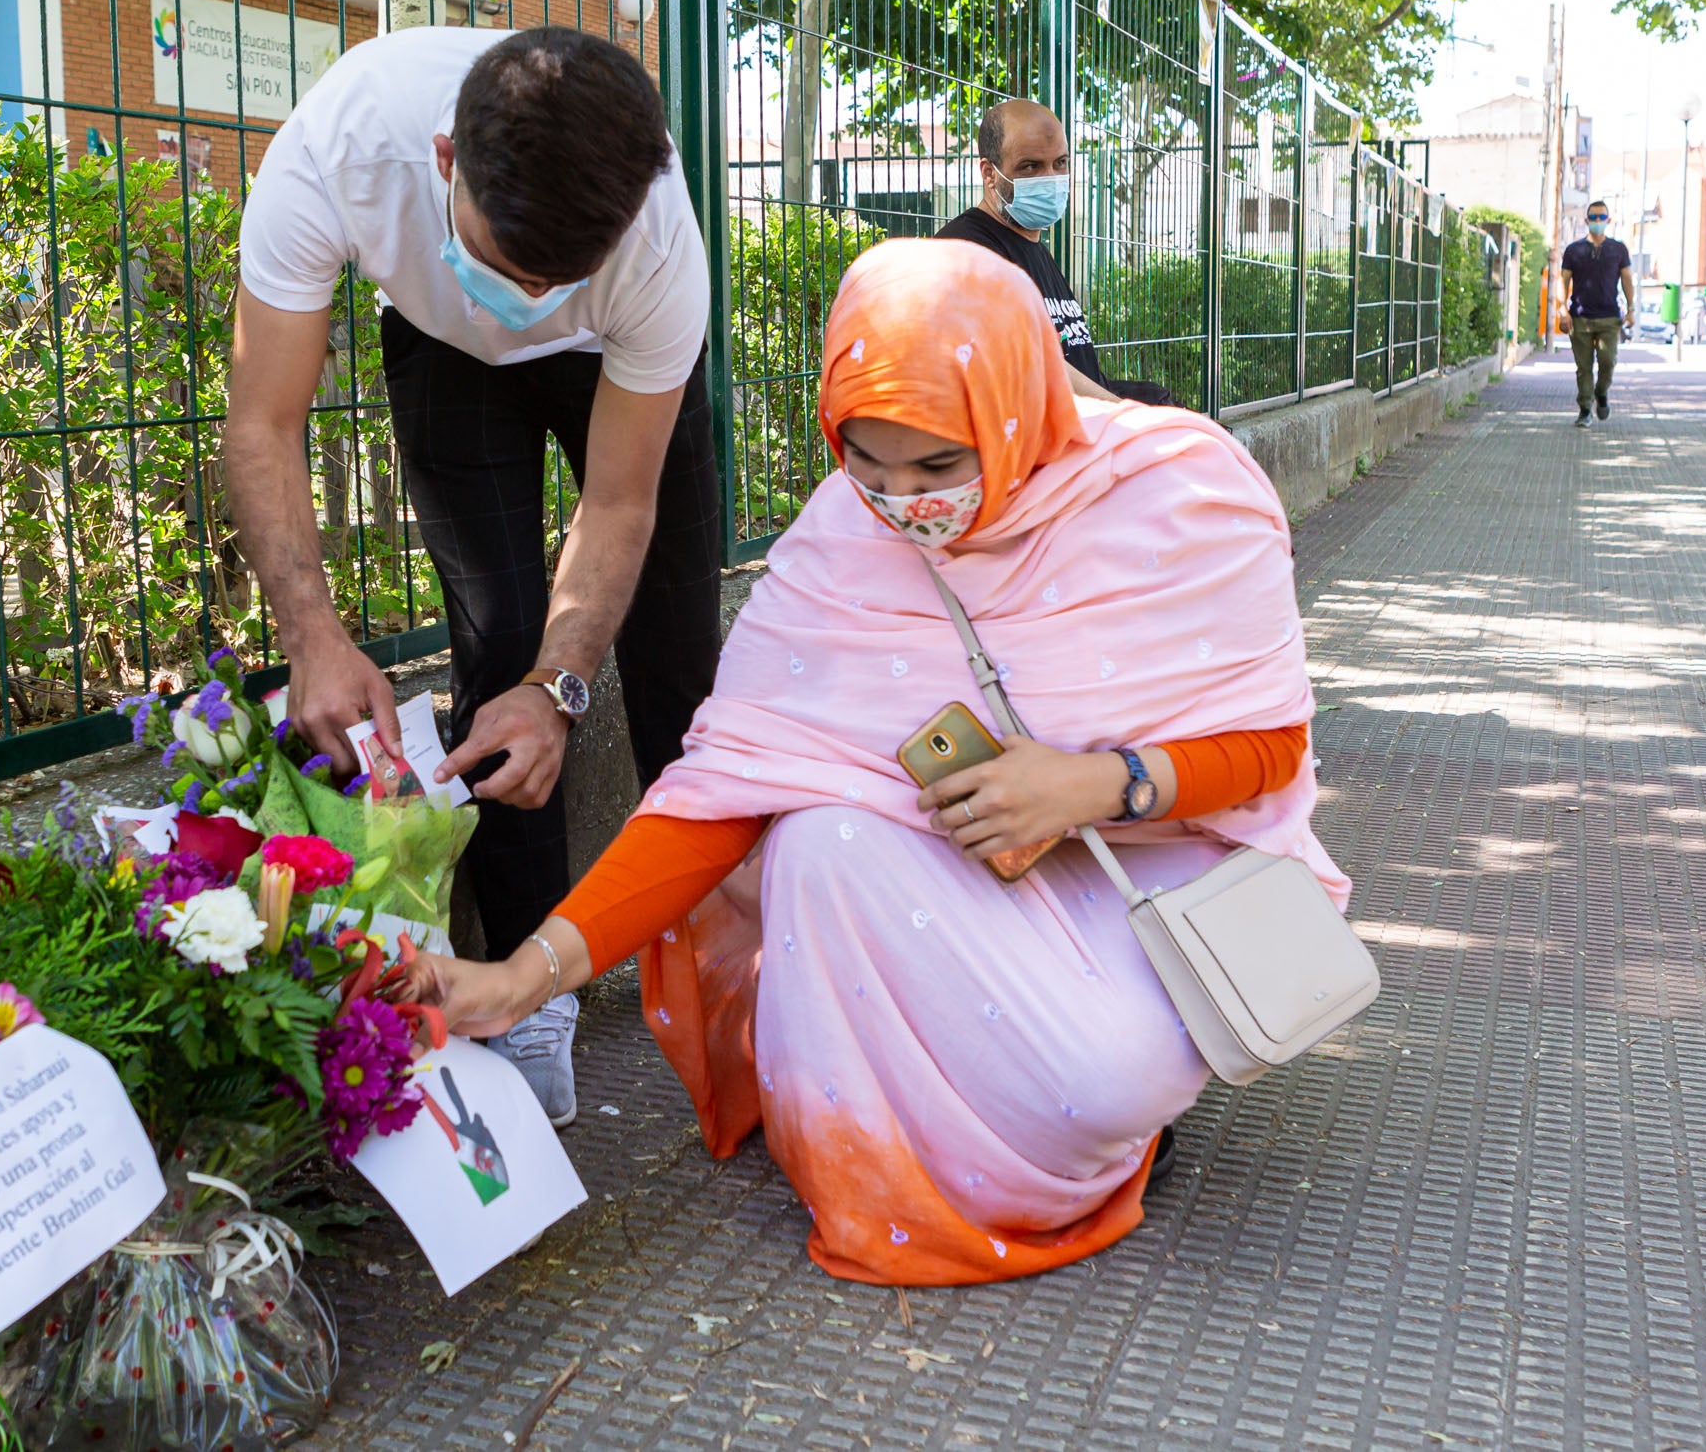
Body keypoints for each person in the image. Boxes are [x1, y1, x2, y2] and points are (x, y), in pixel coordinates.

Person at [398, 239, 1341, 1284]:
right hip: (967, 871)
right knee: (814, 839)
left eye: (939, 463)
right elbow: (716, 790)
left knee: (1103, 1087)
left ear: (1018, 403)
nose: (901, 501)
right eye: (865, 457)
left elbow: (1269, 750)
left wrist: (1093, 781)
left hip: (1145, 863)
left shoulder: (1183, 489)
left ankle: (1078, 1127)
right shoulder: (840, 537)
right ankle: (886, 1154)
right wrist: (519, 978)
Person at [225, 26, 726, 1122]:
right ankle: (528, 1005)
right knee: (496, 643)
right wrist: (311, 634)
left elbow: (620, 500)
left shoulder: (653, 248)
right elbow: (262, 420)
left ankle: (725, 953)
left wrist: (563, 687)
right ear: (446, 161)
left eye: (561, 281)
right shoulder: (340, 148)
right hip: (441, 348)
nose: (535, 301)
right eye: (513, 269)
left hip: (623, 367)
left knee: (678, 667)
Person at [937, 98, 1177, 406]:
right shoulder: (968, 251)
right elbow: (1032, 366)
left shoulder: (1034, 248)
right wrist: (1124, 418)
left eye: (1060, 163)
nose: (1050, 178)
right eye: (1030, 166)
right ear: (989, 173)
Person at [1557, 199, 1635, 426]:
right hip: (1580, 317)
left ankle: (1601, 393)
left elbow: (1627, 279)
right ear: (1586, 220)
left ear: (1608, 221)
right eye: (1593, 217)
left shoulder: (1618, 249)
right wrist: (1563, 310)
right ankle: (1584, 410)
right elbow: (1563, 280)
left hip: (1609, 318)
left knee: (1607, 362)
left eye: (1602, 217)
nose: (1597, 221)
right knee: (1583, 368)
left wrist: (1630, 309)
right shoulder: (1574, 250)